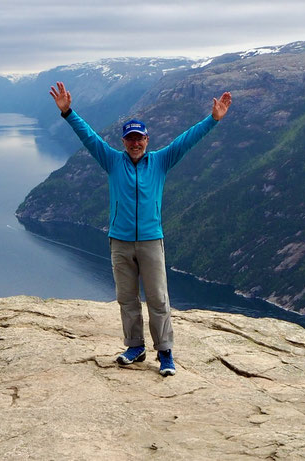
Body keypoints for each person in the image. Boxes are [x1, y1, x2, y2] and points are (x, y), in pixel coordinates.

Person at [49, 81, 232, 376]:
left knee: (158, 298)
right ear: (124, 142)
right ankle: (135, 347)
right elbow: (89, 137)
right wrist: (68, 112)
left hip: (150, 241)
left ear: (147, 139)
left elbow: (186, 140)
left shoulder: (160, 161)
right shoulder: (112, 161)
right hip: (119, 242)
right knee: (127, 298)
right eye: (130, 139)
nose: (135, 143)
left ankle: (166, 353)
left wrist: (213, 119)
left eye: (139, 138)